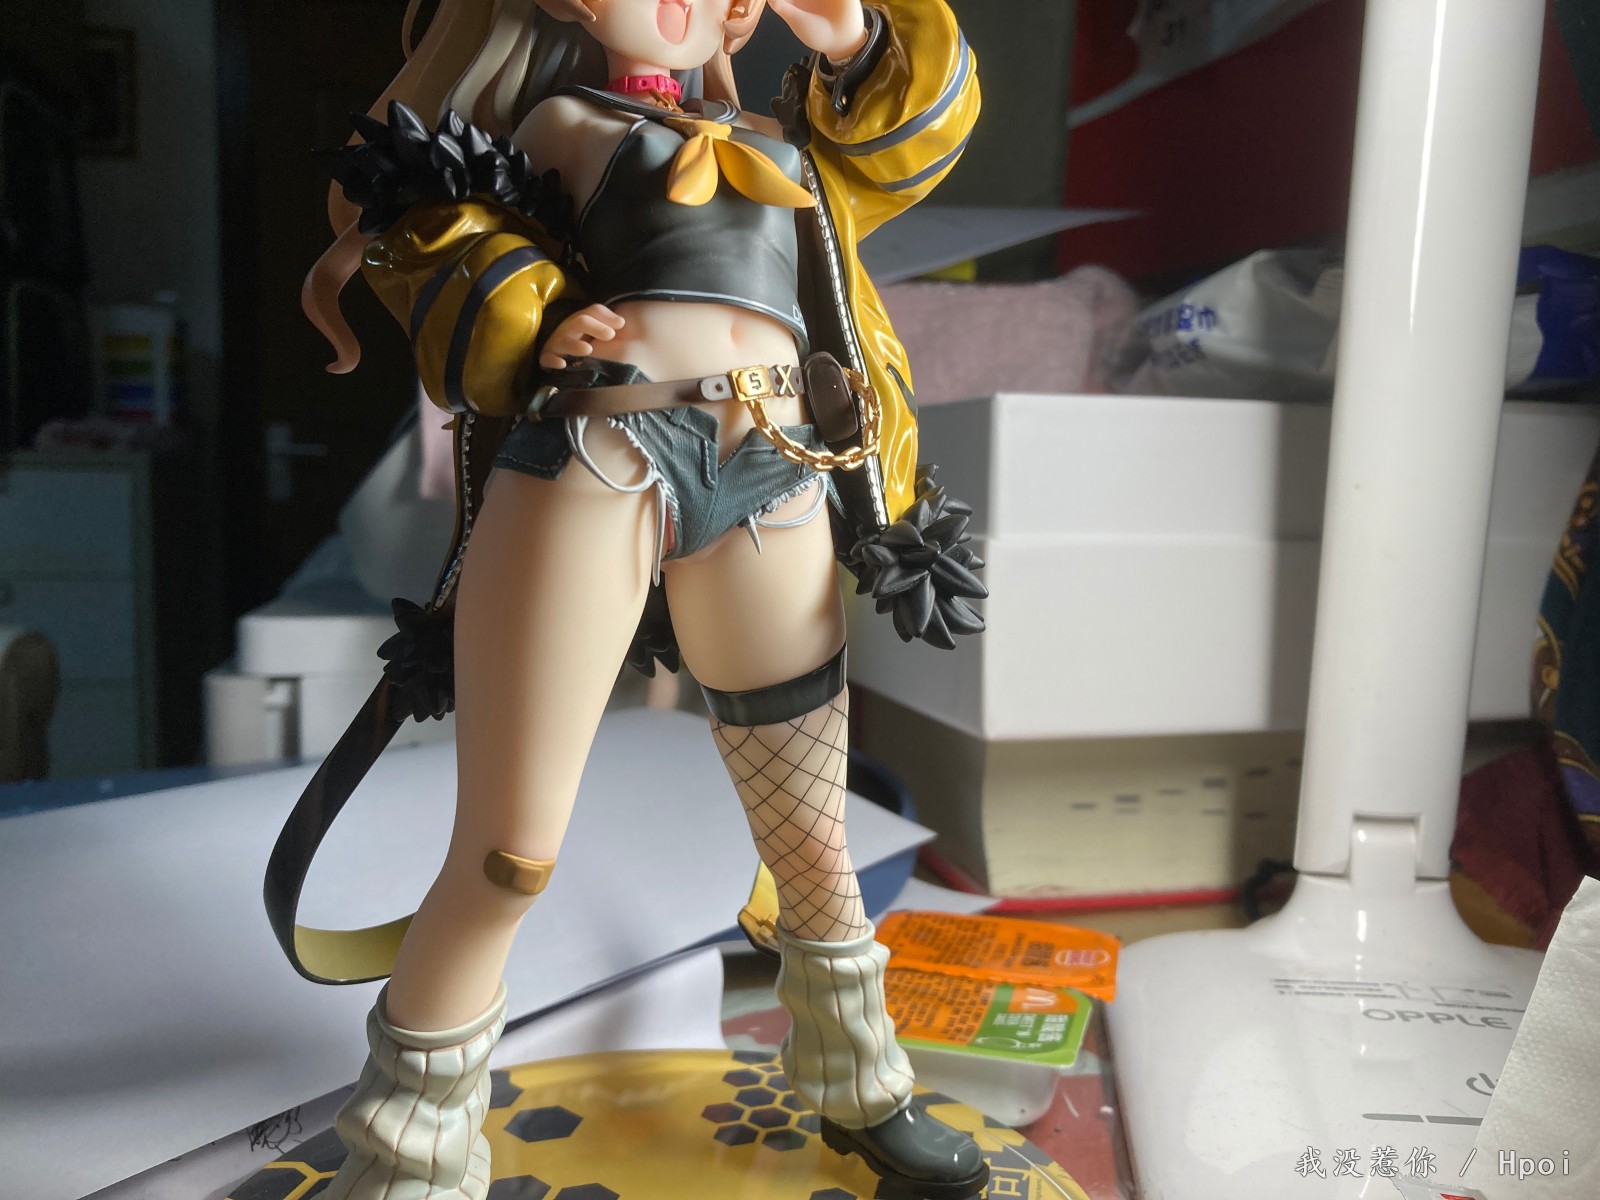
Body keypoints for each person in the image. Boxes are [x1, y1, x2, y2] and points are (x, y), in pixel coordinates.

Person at [285, 0, 987, 1195]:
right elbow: (429, 228)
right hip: (602, 458)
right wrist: (531, 303)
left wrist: (856, 38)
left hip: (774, 470)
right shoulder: (557, 125)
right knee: (508, 854)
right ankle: (409, 1149)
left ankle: (864, 1084)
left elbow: (905, 143)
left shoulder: (788, 143)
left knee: (813, 839)